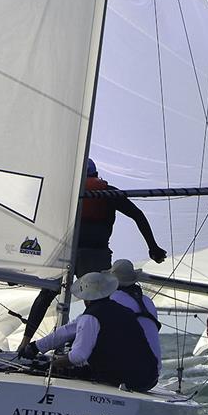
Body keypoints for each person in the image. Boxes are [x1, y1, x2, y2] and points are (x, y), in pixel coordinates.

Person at [18, 158, 167, 354]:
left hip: (65, 252)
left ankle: (24, 343)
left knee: (46, 294)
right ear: (96, 175)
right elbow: (137, 215)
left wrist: (26, 261)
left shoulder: (66, 193)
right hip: (95, 254)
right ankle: (90, 348)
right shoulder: (107, 192)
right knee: (100, 302)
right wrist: (153, 247)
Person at [23, 271, 159, 391]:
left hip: (125, 381)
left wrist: (51, 365)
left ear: (86, 298)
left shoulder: (90, 316)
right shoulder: (125, 310)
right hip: (149, 378)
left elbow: (78, 356)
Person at [107, 259, 162, 374]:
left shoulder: (112, 300)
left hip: (127, 373)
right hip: (153, 374)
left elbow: (89, 326)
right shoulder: (148, 302)